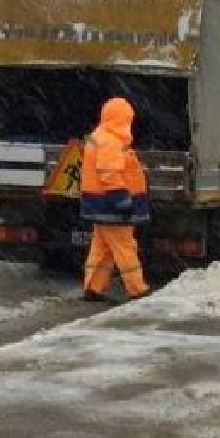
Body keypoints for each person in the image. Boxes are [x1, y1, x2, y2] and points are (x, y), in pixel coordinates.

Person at [80, 97, 151, 303]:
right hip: (111, 205)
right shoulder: (110, 141)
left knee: (102, 249)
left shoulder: (99, 137)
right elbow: (109, 173)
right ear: (122, 119)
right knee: (125, 247)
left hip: (100, 205)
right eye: (128, 119)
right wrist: (121, 198)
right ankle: (137, 289)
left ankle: (93, 287)